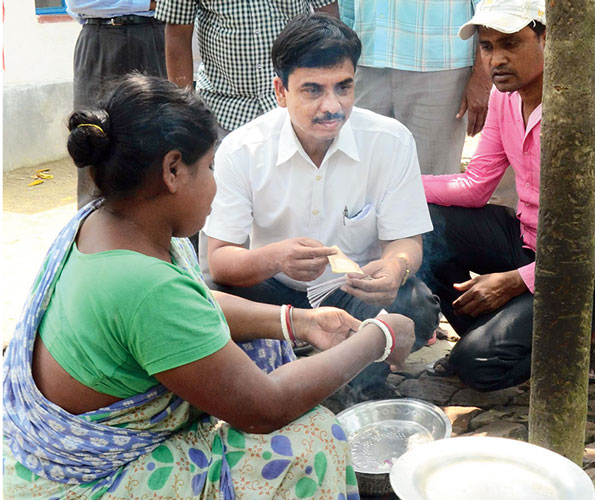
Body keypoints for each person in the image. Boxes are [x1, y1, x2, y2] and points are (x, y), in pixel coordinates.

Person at [2, 74, 415, 499]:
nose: (216, 183)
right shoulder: (145, 288)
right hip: (87, 480)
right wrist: (377, 338)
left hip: (54, 444)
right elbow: (264, 408)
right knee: (311, 439)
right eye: (211, 166)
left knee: (260, 347)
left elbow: (194, 305)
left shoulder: (107, 223)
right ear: (173, 170)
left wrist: (300, 322)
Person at [203, 13, 440, 401]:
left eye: (343, 88)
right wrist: (276, 259)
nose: (332, 106)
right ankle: (321, 350)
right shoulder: (242, 150)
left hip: (351, 290)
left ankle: (334, 367)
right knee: (209, 301)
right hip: (271, 291)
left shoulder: (390, 141)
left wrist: (396, 268)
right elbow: (220, 262)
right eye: (312, 90)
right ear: (280, 91)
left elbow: (405, 241)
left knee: (415, 307)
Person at [417, 0, 595, 390]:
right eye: (487, 47)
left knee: (478, 367)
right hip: (529, 241)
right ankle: (497, 336)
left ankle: (562, 334)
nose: (496, 60)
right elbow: (475, 187)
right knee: (423, 225)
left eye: (510, 44)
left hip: (592, 271)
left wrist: (516, 281)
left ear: (547, 39)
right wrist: (394, 189)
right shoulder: (506, 96)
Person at [339, 0, 492, 176]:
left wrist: (483, 76)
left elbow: (489, 6)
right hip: (366, 58)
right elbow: (346, 7)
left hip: (439, 64)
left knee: (431, 182)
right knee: (361, 177)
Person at [155, 0, 339, 137]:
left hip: (296, 104)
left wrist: (326, 88)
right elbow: (178, 31)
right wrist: (185, 107)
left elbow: (328, 15)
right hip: (223, 109)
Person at [67, 0, 167, 208]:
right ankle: (94, 234)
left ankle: (159, 236)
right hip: (101, 37)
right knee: (94, 140)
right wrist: (150, 3)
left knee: (162, 144)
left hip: (157, 36)